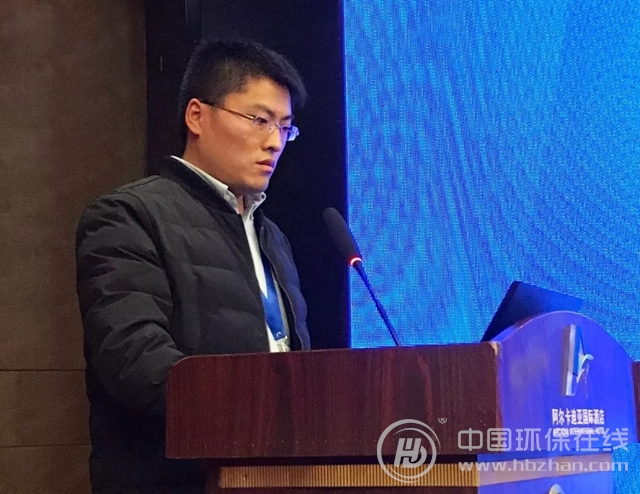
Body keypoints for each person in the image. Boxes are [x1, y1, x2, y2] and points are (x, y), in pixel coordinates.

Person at [76, 38, 311, 494]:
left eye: (286, 128)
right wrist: (262, 412)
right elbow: (135, 363)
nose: (274, 142)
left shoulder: (273, 238)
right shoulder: (128, 216)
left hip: (275, 477)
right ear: (197, 116)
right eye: (259, 120)